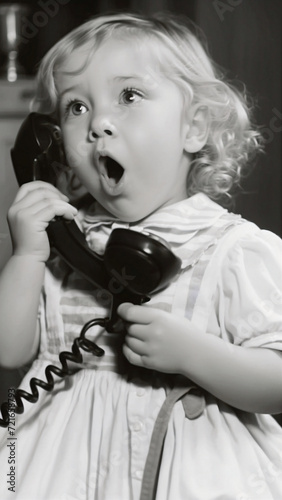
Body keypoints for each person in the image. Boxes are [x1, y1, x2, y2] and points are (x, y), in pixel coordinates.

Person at [0, 11, 282, 500]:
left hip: (195, 473)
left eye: (129, 96)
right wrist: (25, 256)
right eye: (76, 108)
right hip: (58, 469)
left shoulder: (233, 251)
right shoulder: (62, 247)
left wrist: (195, 355)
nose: (99, 124)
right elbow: (9, 352)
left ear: (194, 127)